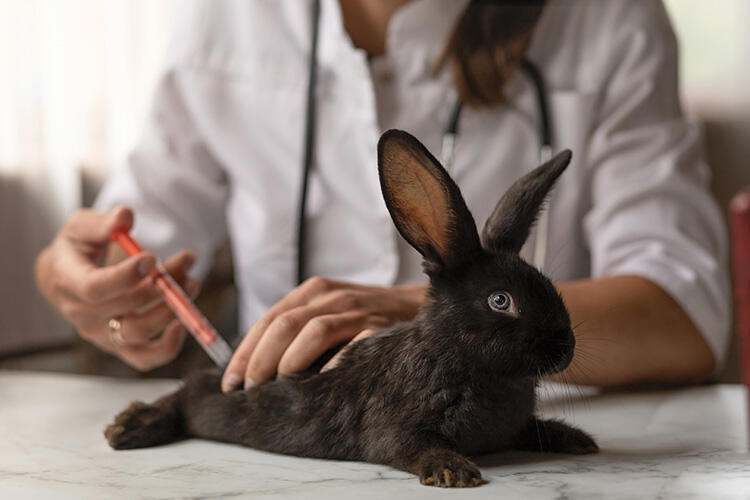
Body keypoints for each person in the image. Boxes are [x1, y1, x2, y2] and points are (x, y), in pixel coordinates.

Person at [35, 0, 729, 393]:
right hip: (295, 443)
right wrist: (95, 293)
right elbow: (134, 248)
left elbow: (685, 315)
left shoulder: (610, 20)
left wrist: (424, 314)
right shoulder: (223, 17)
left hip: (513, 455)